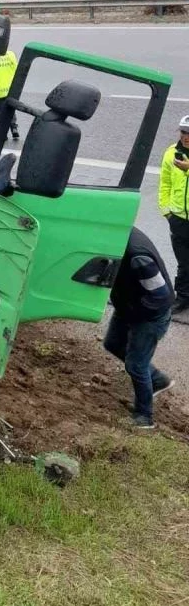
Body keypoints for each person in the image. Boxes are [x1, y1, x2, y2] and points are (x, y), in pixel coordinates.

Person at [103, 226, 174, 429]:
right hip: (130, 305)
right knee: (112, 343)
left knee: (136, 364)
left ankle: (144, 417)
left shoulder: (137, 257)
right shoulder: (120, 233)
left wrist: (135, 315)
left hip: (150, 315)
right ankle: (158, 380)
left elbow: (159, 296)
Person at [158, 115, 189, 319]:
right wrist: (166, 211)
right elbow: (165, 184)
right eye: (184, 132)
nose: (186, 137)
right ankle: (183, 297)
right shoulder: (171, 153)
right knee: (184, 262)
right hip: (178, 219)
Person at [0, 49, 20, 141]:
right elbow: (16, 68)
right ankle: (14, 127)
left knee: (0, 112)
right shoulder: (11, 55)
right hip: (10, 88)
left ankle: (3, 134)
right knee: (10, 109)